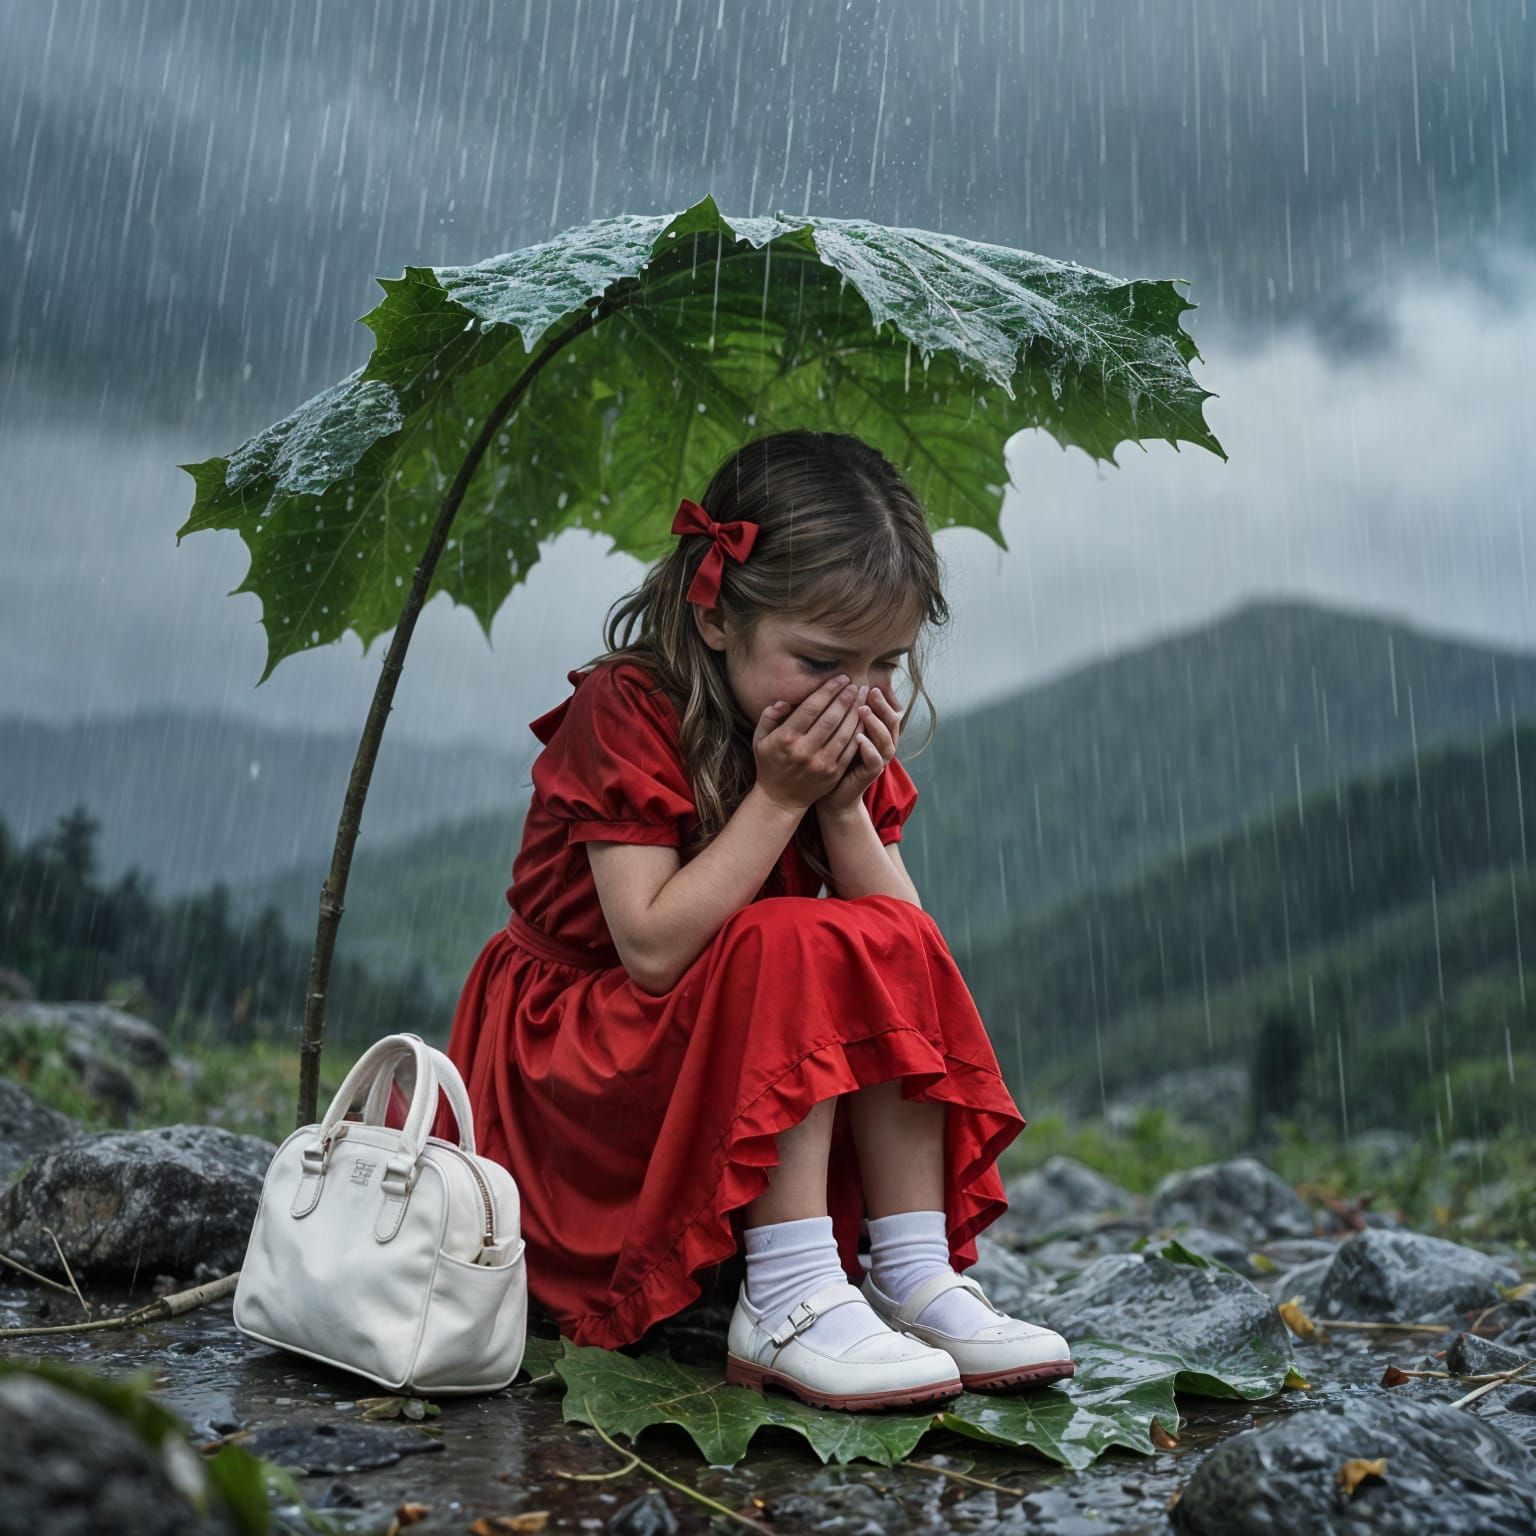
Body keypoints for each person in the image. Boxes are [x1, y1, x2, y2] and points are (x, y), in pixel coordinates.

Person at [414, 429, 1073, 1413]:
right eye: (821, 660)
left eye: (886, 664)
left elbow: (908, 967)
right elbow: (649, 947)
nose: (857, 696)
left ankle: (910, 1269)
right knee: (786, 938)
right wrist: (776, 800)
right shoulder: (625, 709)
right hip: (579, 1066)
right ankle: (790, 1291)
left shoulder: (823, 742)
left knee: (881, 939)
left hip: (712, 1047)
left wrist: (842, 806)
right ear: (716, 614)